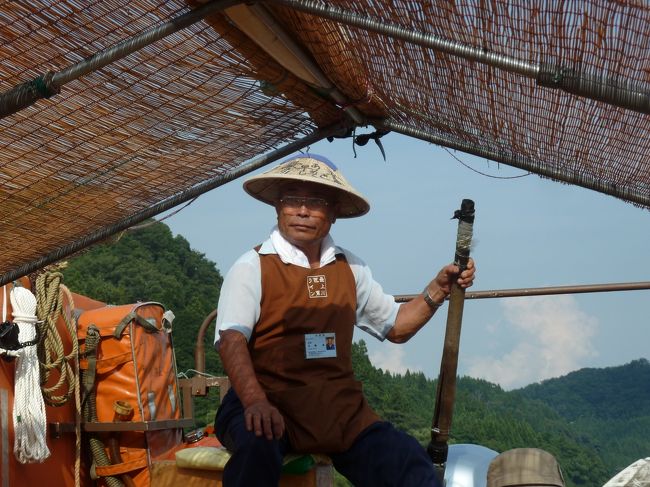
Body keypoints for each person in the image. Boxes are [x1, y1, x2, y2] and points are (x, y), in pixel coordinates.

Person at [214, 154, 475, 487]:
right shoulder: (252, 266)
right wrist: (255, 402)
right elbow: (231, 339)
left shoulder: (350, 267)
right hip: (269, 401)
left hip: (337, 410)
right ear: (277, 206)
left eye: (316, 202)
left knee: (406, 459)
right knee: (256, 448)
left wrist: (438, 289)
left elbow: (396, 326)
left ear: (334, 212)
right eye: (292, 199)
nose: (302, 210)